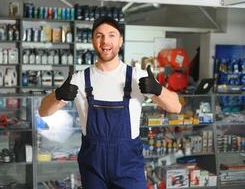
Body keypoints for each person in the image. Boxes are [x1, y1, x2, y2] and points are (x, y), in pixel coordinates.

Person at [39, 16, 181, 189]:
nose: (105, 41)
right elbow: (43, 111)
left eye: (112, 35)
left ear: (120, 40)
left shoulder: (137, 76)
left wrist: (158, 90)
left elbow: (176, 106)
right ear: (93, 41)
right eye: (99, 36)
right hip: (93, 165)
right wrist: (58, 95)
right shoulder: (79, 79)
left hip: (128, 164)